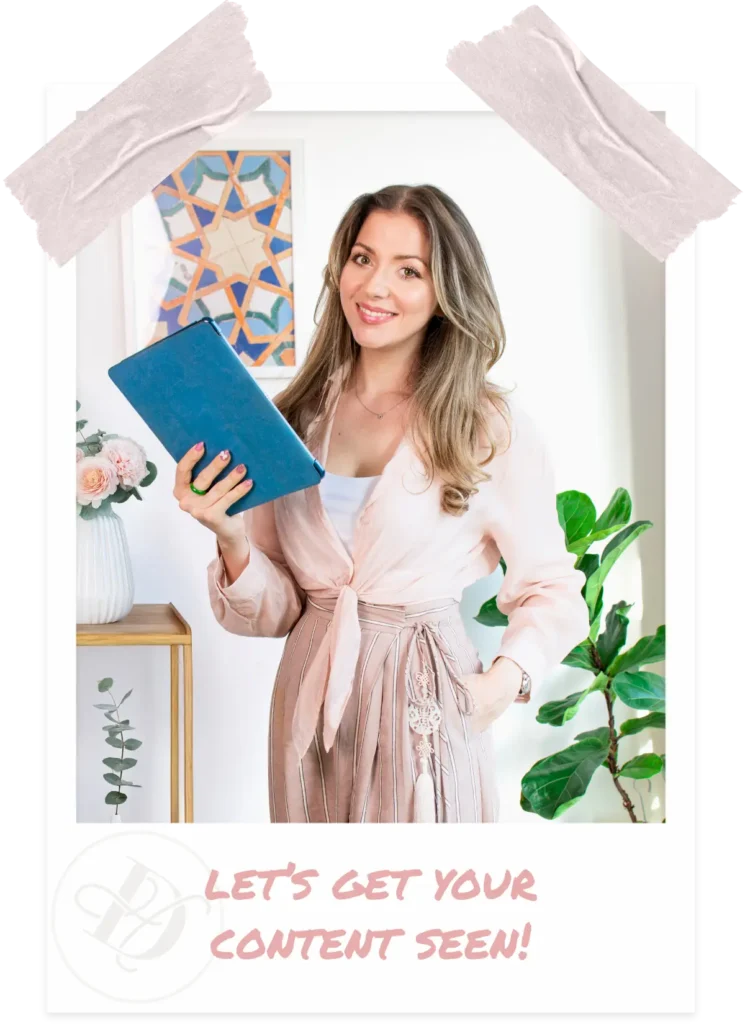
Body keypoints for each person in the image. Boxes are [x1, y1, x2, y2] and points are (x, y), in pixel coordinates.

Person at [172, 184, 588, 823]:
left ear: (446, 290)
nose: (374, 286)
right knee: (319, 901)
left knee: (426, 903)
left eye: (409, 270)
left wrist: (499, 687)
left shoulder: (486, 424)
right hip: (309, 703)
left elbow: (553, 589)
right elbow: (279, 609)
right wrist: (230, 539)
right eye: (362, 258)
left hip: (426, 695)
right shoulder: (295, 418)